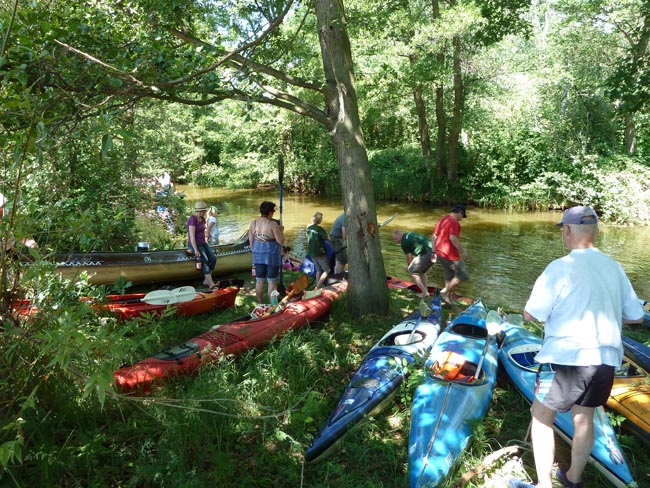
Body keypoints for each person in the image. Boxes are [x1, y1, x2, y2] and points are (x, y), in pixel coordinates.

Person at [508, 206, 645, 488]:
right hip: (606, 360)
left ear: (568, 231)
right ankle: (572, 479)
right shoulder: (615, 267)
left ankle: (544, 485)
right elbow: (636, 316)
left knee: (542, 416)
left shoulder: (560, 267)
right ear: (595, 231)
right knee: (584, 418)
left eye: (563, 231)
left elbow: (531, 314)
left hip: (567, 358)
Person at [432, 204, 469, 304]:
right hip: (450, 254)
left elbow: (434, 236)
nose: (461, 219)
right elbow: (453, 238)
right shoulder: (454, 222)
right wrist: (463, 252)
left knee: (449, 274)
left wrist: (433, 251)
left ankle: (447, 298)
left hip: (440, 253)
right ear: (460, 213)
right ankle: (444, 292)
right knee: (464, 274)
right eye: (462, 216)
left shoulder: (442, 219)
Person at [248, 201, 284, 303]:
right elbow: (280, 241)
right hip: (271, 256)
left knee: (259, 281)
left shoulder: (253, 223)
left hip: (258, 256)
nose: (273, 213)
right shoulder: (272, 224)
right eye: (273, 211)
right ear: (269, 212)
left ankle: (260, 304)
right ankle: (273, 305)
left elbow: (251, 243)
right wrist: (281, 231)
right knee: (272, 282)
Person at [392, 229, 433, 299]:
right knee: (421, 272)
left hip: (426, 253)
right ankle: (425, 291)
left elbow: (409, 257)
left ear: (399, 235)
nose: (396, 241)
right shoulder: (410, 234)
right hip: (434, 251)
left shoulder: (404, 243)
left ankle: (424, 292)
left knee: (412, 271)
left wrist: (409, 268)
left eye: (396, 239)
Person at [187, 201, 218, 289]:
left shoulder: (203, 219)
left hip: (203, 243)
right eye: (204, 211)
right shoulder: (192, 219)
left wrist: (207, 237)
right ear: (200, 211)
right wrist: (196, 250)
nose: (205, 212)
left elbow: (203, 231)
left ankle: (206, 280)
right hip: (195, 244)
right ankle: (211, 284)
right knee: (204, 261)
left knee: (213, 258)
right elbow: (192, 236)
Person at [306, 212, 331, 289]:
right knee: (327, 270)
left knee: (318, 269)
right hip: (320, 252)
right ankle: (318, 287)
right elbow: (327, 238)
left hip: (312, 252)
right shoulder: (319, 229)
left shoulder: (308, 228)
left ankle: (317, 285)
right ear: (320, 220)